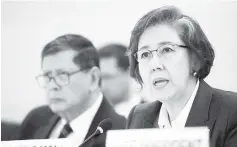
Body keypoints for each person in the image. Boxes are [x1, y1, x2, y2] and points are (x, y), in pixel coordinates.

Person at [126, 6, 237, 147]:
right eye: (145, 54)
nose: (154, 65)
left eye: (167, 49)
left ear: (195, 59)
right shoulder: (138, 116)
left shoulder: (232, 112)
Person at [13, 34, 126, 146]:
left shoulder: (122, 132)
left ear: (93, 78)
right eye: (47, 75)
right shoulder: (36, 119)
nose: (52, 85)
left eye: (62, 75)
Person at [98, 44, 142, 117]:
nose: (102, 85)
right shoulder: (91, 117)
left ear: (129, 73)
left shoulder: (155, 115)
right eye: (99, 78)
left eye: (108, 77)